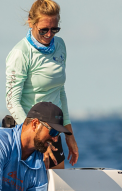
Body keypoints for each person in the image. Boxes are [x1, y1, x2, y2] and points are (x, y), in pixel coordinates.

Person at [6, 0, 78, 170]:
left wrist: (69, 135)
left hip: (53, 132)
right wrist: (35, 138)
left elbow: (60, 91)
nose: (49, 34)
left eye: (54, 29)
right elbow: (12, 102)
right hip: (27, 134)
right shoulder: (20, 53)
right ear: (31, 22)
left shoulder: (60, 46)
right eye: (44, 29)